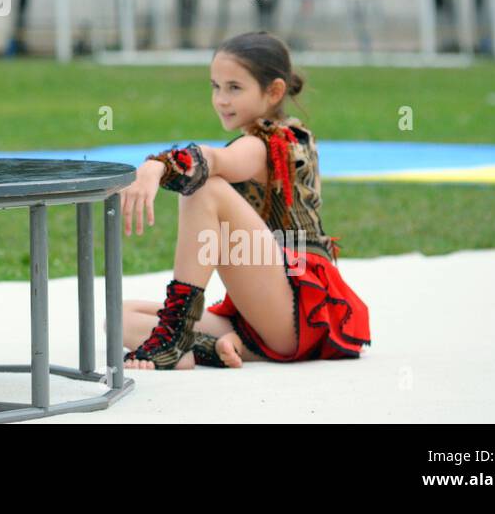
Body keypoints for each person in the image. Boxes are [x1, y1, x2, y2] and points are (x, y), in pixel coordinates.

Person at [119, 30, 372, 369]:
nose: (221, 99)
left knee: (206, 187)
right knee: (118, 318)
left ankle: (176, 338)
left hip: (297, 301)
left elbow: (212, 162)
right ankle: (221, 347)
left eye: (234, 88)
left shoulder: (270, 143)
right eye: (215, 86)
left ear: (274, 91)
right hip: (266, 310)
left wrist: (155, 166)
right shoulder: (258, 139)